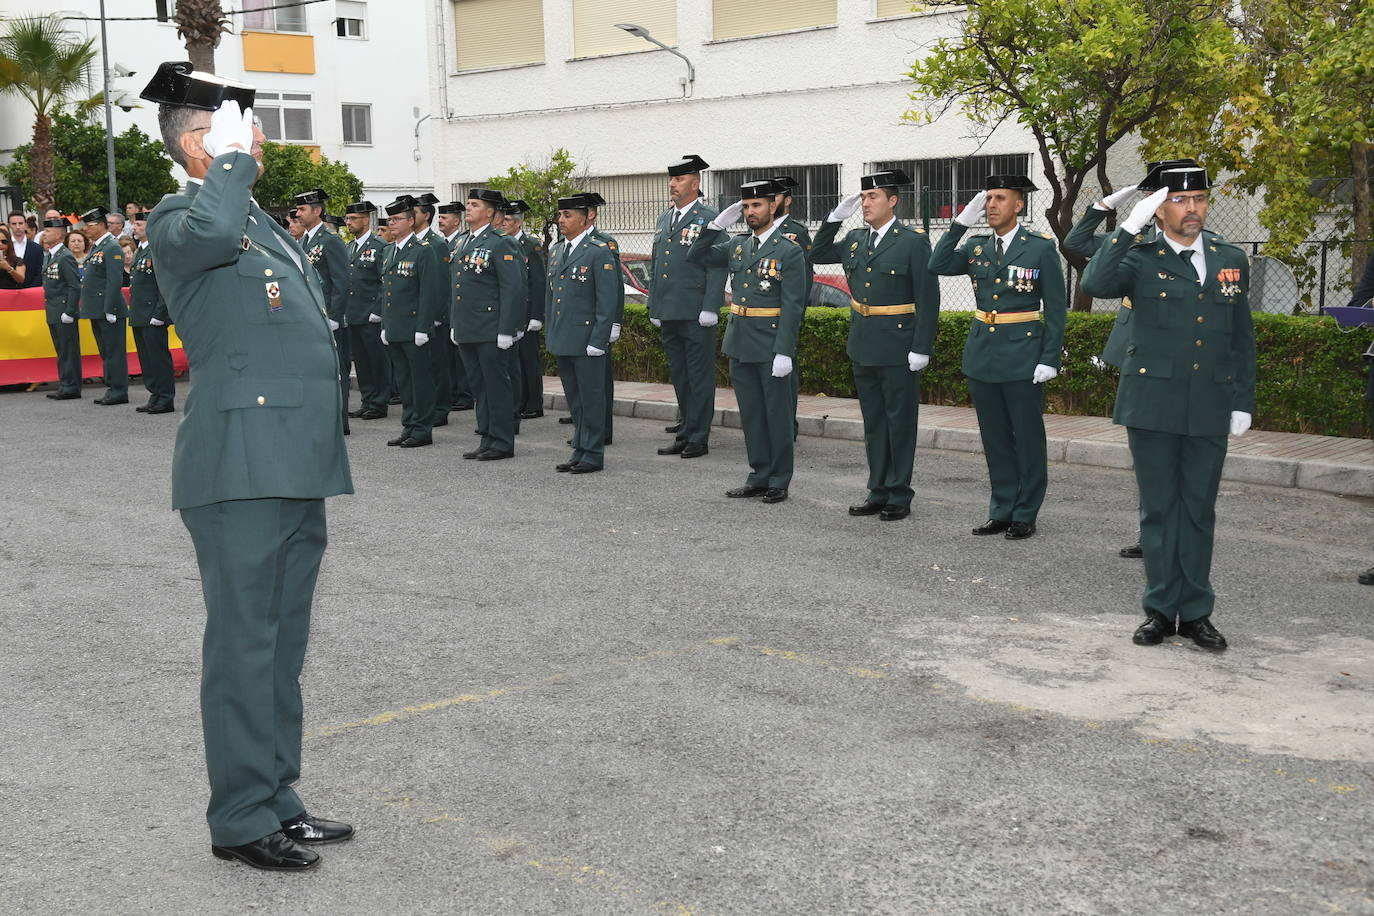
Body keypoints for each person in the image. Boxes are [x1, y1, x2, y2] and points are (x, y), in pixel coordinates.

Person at [141, 60, 353, 871]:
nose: (257, 141)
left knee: (282, 644)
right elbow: (209, 236)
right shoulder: (181, 217)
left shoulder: (256, 220)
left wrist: (234, 171)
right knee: (243, 647)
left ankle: (275, 797)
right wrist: (228, 167)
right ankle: (238, 819)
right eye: (239, 133)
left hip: (293, 460)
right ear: (201, 144)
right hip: (238, 466)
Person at [1081, 166, 1255, 651]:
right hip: (1151, 402)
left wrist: (1241, 399)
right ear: (1159, 210)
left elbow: (1241, 335)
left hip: (1210, 403)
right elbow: (1094, 282)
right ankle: (1159, 610)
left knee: (1198, 511)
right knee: (1159, 510)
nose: (1192, 208)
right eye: (1180, 200)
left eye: (1199, 198)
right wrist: (1128, 226)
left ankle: (1196, 613)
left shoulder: (1230, 258)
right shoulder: (1139, 258)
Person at [1065, 159, 1199, 559]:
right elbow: (1075, 243)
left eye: (1165, 193)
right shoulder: (1133, 240)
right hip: (1138, 356)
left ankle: (1181, 531)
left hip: (1180, 359)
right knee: (1148, 455)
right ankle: (1152, 532)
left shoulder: (1199, 244)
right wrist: (1107, 206)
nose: (1156, 200)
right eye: (1152, 193)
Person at [929, 175, 1067, 540]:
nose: (991, 205)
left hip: (1023, 355)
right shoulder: (977, 247)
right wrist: (960, 223)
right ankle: (1002, 509)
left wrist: (1050, 357)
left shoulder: (1039, 248)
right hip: (983, 354)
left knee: (1027, 437)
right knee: (995, 439)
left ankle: (1026, 512)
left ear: (1018, 205)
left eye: (1000, 198)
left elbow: (1056, 308)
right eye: (988, 199)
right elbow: (937, 264)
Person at [811, 168, 940, 521]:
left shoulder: (912, 241)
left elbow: (928, 298)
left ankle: (899, 493)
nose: (866, 203)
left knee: (900, 422)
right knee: (874, 424)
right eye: (864, 197)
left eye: (873, 197)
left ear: (892, 200)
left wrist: (921, 347)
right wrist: (834, 218)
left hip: (898, 346)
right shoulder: (855, 239)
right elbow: (817, 252)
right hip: (863, 343)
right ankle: (878, 490)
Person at [689, 179, 807, 503]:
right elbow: (696, 256)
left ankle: (779, 479)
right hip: (740, 342)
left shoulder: (788, 250)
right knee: (752, 415)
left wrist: (785, 351)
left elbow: (793, 306)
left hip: (770, 345)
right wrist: (715, 226)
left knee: (777, 416)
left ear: (773, 206)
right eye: (745, 207)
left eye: (757, 205)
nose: (750, 212)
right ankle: (758, 475)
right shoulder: (737, 246)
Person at [649, 154, 726, 459]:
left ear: (695, 184)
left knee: (699, 376)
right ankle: (684, 431)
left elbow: (718, 264)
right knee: (680, 375)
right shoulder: (664, 219)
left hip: (695, 312)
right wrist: (654, 305)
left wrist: (711, 306)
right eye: (672, 179)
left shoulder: (709, 218)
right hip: (669, 310)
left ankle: (699, 437)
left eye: (679, 179)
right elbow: (658, 265)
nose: (673, 184)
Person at [450, 187, 526, 461]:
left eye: (475, 204)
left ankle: (503, 441)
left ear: (490, 212)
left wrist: (507, 329)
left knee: (496, 386)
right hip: (468, 327)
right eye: (468, 204)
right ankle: (487, 437)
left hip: (491, 328)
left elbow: (512, 289)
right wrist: (455, 324)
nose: (468, 208)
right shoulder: (463, 242)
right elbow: (457, 287)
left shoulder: (501, 242)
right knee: (479, 387)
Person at [547, 195, 617, 473]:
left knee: (592, 399)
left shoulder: (598, 251)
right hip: (564, 337)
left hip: (587, 339)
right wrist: (551, 332)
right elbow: (551, 299)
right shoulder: (557, 251)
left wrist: (599, 339)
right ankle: (580, 448)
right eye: (560, 215)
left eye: (567, 215)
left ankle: (593, 453)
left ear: (586, 217)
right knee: (575, 400)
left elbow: (607, 300)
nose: (561, 220)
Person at [379, 194, 446, 448]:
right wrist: (385, 325)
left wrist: (424, 327)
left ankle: (422, 429)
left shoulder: (423, 251)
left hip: (414, 327)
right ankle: (409, 425)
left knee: (420, 382)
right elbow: (387, 292)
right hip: (395, 327)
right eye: (390, 219)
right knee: (404, 382)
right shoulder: (388, 251)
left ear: (410, 221)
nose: (392, 223)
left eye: (397, 219)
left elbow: (429, 292)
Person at [295, 188, 352, 435]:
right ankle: (321, 419)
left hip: (329, 318)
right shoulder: (303, 241)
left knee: (336, 372)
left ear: (317, 211)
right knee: (315, 371)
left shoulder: (331, 240)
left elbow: (342, 281)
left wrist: (335, 316)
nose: (298, 214)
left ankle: (339, 422)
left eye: (302, 209)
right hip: (310, 317)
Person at [579, 192, 622, 445]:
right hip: (576, 325)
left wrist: (615, 321)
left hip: (598, 323)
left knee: (600, 379)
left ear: (590, 214)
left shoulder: (605, 243)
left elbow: (615, 285)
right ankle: (583, 426)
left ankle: (603, 429)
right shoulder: (567, 244)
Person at [76, 205, 130, 406]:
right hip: (97, 308)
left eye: (89, 225)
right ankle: (112, 388)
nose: (86, 229)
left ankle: (119, 390)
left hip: (109, 309)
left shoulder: (111, 247)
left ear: (100, 225)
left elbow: (114, 281)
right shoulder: (98, 246)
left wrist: (110, 308)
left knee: (114, 352)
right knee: (106, 351)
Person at [343, 200, 391, 421]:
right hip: (354, 313)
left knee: (376, 360)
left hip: (371, 314)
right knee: (361, 362)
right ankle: (367, 400)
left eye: (353, 219)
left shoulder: (379, 246)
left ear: (365, 220)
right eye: (347, 218)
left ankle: (379, 402)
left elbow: (385, 280)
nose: (348, 222)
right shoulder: (350, 248)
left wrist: (378, 310)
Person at [128, 210, 175, 414]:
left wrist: (160, 313)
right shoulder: (141, 250)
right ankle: (154, 394)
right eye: (134, 224)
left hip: (153, 314)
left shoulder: (158, 249)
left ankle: (165, 397)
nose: (135, 227)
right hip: (140, 313)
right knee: (146, 359)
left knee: (158, 358)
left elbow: (166, 284)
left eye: (139, 225)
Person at [504, 199, 547, 420]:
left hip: (528, 313)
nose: (503, 223)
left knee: (529, 360)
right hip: (512, 314)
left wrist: (537, 315)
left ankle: (534, 403)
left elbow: (538, 282)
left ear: (518, 223)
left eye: (508, 220)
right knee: (514, 361)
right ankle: (519, 401)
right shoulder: (503, 243)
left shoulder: (531, 245)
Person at [436, 200, 475, 413]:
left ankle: (465, 394)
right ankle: (452, 392)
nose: (440, 221)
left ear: (456, 221)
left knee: (460, 356)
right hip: (445, 307)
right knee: (446, 355)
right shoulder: (442, 244)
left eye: (444, 217)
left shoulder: (462, 243)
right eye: (439, 217)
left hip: (459, 307)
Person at [40, 215, 83, 399]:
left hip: (64, 310)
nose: (44, 234)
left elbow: (74, 286)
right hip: (54, 310)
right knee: (62, 350)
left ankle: (71, 386)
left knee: (68, 350)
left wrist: (70, 311)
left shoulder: (65, 257)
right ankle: (66, 384)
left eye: (48, 231)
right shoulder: (51, 255)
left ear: (58, 234)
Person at [8, 210, 44, 287]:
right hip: (8, 291)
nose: (18, 227)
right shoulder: (5, 246)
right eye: (14, 224)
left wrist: (30, 290)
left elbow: (40, 273)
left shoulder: (37, 248)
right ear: (9, 225)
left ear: (25, 225)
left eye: (20, 223)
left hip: (31, 290)